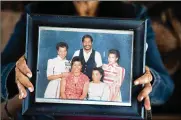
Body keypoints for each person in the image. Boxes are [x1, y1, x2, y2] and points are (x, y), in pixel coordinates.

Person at [1, 1, 174, 120]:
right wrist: (14, 76)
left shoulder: (135, 15)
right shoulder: (37, 11)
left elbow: (166, 87)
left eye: (89, 42)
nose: (86, 44)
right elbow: (2, 71)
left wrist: (151, 82)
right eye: (84, 41)